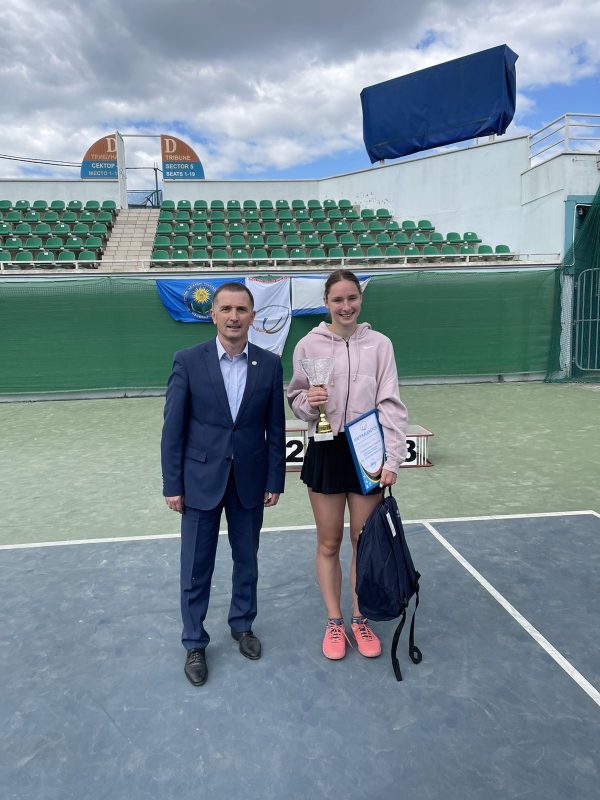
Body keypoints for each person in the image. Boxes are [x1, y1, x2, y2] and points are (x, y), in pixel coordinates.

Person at [161, 282, 286, 687]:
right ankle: (194, 642)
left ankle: (242, 625)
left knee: (247, 560)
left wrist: (275, 479)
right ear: (213, 315)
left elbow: (275, 429)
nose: (234, 316)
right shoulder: (187, 361)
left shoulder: (269, 365)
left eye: (242, 309)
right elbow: (173, 429)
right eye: (227, 309)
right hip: (199, 482)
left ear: (253, 316)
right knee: (195, 568)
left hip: (250, 480)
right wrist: (172, 484)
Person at [287, 269, 407, 661]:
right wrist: (311, 403)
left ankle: (360, 618)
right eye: (337, 299)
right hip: (326, 450)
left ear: (360, 299)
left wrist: (393, 457)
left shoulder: (380, 345)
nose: (345, 306)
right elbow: (297, 399)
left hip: (367, 451)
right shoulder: (308, 344)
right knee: (329, 541)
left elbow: (390, 404)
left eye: (351, 298)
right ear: (326, 302)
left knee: (362, 540)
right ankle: (334, 621)